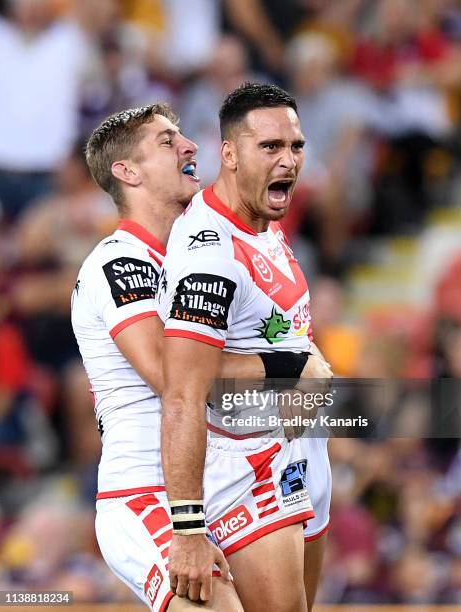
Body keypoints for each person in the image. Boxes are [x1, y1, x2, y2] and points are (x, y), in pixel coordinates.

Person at [71, 102, 327, 610]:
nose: (190, 147)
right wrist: (291, 366)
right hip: (146, 490)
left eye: (184, 136)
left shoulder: (209, 245)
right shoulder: (120, 262)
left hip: (224, 475)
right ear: (127, 172)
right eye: (167, 142)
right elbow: (173, 375)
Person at [158, 82, 332, 612]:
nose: (288, 161)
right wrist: (187, 526)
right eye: (270, 148)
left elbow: (276, 323)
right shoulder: (210, 253)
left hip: (303, 448)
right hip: (247, 463)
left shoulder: (264, 220)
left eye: (296, 147)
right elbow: (186, 389)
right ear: (229, 154)